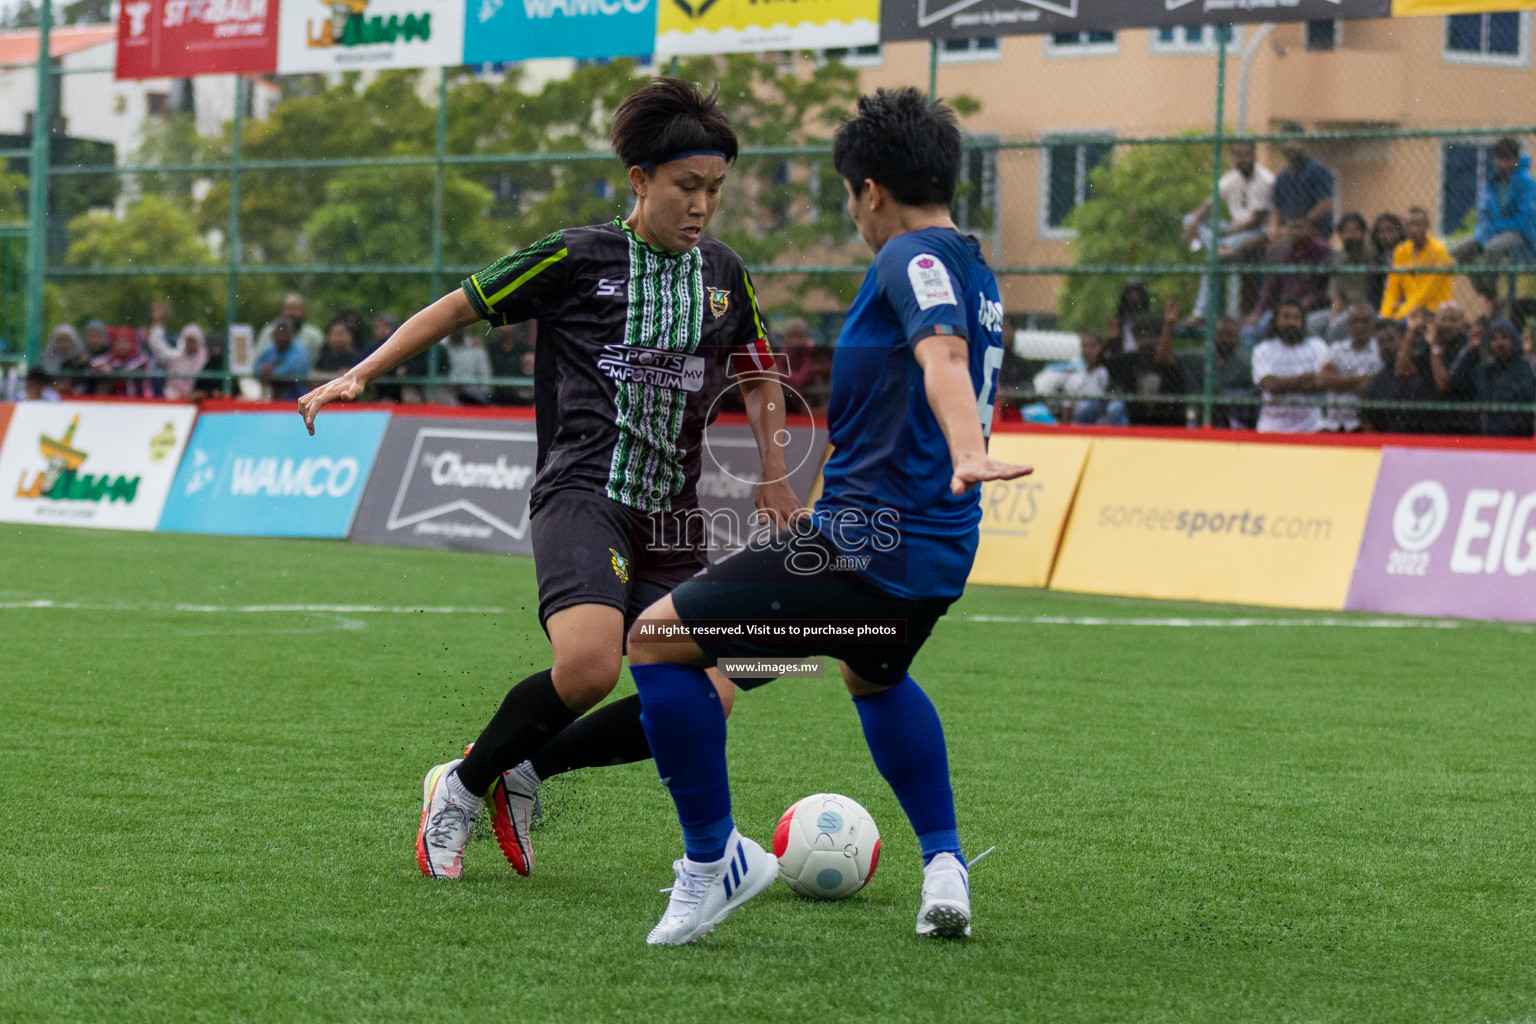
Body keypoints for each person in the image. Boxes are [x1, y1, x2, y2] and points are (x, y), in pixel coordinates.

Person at [296, 78, 801, 883]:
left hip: (672, 517)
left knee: (713, 694)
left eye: (715, 190)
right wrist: (362, 372)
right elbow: (459, 307)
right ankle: (460, 788)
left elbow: (760, 369)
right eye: (686, 187)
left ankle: (525, 771)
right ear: (639, 180)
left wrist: (775, 475)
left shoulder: (724, 274)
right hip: (583, 492)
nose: (702, 205)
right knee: (592, 666)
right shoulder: (575, 255)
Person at [620, 88, 1028, 946]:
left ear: (869, 190)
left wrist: (965, 447)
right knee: (873, 678)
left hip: (864, 546)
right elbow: (928, 374)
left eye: (849, 197)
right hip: (939, 553)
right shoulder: (975, 265)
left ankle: (712, 861)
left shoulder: (910, 257)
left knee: (656, 641)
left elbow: (941, 354)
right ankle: (945, 867)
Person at [1451, 138, 1536, 305]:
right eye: (1499, 159)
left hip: (1519, 232)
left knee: (1492, 247)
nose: (1501, 164)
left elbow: (1526, 219)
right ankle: (1484, 289)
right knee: (1460, 250)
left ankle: (1491, 291)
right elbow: (1484, 212)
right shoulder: (1491, 181)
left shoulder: (1527, 183)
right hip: (1493, 231)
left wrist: (1497, 229)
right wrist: (1484, 232)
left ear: (1516, 160)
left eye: (1506, 159)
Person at [1242, 216, 1331, 351]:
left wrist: (1312, 300)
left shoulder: (1322, 250)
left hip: (1314, 308)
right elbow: (1269, 288)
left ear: (1309, 229)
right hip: (1285, 308)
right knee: (1249, 331)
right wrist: (1258, 312)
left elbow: (1330, 286)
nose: (1296, 232)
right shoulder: (1281, 252)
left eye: (1300, 228)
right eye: (1292, 228)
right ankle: (1255, 369)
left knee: (1309, 328)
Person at [1250, 299, 1330, 433]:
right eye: (1286, 317)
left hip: (1312, 427)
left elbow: (1321, 382)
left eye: (1296, 318)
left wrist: (1283, 385)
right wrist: (1306, 377)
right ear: (1276, 321)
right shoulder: (1263, 349)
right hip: (1272, 427)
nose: (1291, 323)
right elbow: (1271, 386)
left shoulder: (1317, 346)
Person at [1107, 302, 1189, 426]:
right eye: (1140, 336)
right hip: (1138, 424)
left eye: (1151, 336)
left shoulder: (1171, 360)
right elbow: (1104, 363)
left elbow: (1162, 355)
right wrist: (1111, 340)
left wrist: (1169, 325)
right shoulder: (1132, 360)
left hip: (1170, 425)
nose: (1145, 342)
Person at [1450, 317, 1536, 436]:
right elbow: (1456, 381)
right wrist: (1470, 351)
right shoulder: (1484, 371)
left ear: (1514, 340)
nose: (1499, 343)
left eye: (1505, 338)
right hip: (1488, 438)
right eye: (1494, 339)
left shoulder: (1527, 367)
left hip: (1520, 438)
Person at [1177, 318, 1258, 429]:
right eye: (1220, 335)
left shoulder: (1245, 364)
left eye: (1230, 335)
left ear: (1237, 338)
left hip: (1233, 417)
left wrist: (1224, 395)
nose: (1225, 340)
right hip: (1199, 414)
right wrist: (1169, 323)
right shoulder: (1196, 358)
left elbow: (1253, 392)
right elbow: (1165, 358)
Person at [1317, 304, 1383, 432]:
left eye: (1365, 322)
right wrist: (1361, 380)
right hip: (1334, 425)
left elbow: (1373, 387)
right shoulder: (1337, 349)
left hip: (1363, 426)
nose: (1359, 326)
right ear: (1348, 324)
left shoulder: (1380, 351)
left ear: (1373, 325)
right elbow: (1323, 379)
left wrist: (1339, 382)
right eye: (1355, 321)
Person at [1380, 207, 1454, 321]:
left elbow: (1427, 293)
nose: (1414, 229)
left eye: (1418, 224)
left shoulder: (1439, 251)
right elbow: (1392, 289)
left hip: (1434, 310)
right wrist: (1385, 315)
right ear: (1404, 228)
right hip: (1408, 309)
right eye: (1409, 225)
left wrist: (1399, 315)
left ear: (1427, 226)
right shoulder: (1401, 251)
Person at [1323, 213, 1376, 342]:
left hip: (1364, 307)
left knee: (1335, 329)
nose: (1351, 236)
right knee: (1313, 324)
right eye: (1347, 232)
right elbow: (1336, 296)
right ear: (1340, 235)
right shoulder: (1338, 259)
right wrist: (1333, 316)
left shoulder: (1372, 256)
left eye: (1355, 231)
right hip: (1343, 308)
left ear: (1363, 233)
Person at [1270, 135, 1335, 239]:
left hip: (1315, 232)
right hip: (1288, 233)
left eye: (1295, 143)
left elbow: (1325, 205)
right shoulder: (1282, 177)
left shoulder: (1316, 169)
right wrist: (1273, 229)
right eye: (1287, 143)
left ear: (1302, 144)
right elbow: (1277, 209)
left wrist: (1297, 226)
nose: (1290, 147)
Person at [144, 302, 209, 401]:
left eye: (193, 341)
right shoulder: (176, 356)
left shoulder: (205, 359)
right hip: (172, 398)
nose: (191, 344)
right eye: (188, 341)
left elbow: (208, 384)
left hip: (199, 400)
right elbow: (158, 348)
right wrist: (158, 323)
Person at [253, 315, 312, 400]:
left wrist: (271, 372)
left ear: (292, 335)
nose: (282, 337)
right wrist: (263, 371)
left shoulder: (299, 349)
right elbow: (256, 368)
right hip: (272, 396)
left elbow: (290, 371)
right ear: (273, 335)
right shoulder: (270, 349)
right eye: (279, 333)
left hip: (296, 396)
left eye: (285, 334)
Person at [256, 293, 325, 362]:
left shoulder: (315, 336)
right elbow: (258, 357)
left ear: (303, 311)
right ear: (283, 310)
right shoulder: (268, 332)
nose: (292, 313)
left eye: (296, 309)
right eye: (289, 308)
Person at [89, 327, 153, 398]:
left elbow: (127, 369)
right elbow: (94, 363)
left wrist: (111, 370)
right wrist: (103, 367)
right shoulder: (111, 356)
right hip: (116, 399)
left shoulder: (141, 358)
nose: (122, 345)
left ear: (132, 342)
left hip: (139, 399)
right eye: (118, 342)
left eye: (125, 342)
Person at [486, 323, 536, 405]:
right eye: (500, 324)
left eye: (507, 324)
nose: (503, 328)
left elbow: (531, 380)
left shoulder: (524, 349)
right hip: (496, 400)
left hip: (521, 401)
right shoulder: (491, 349)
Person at [1367, 213, 1405, 311]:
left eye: (1390, 230)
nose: (1385, 235)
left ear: (1399, 231)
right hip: (1383, 305)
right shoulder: (1377, 259)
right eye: (1381, 232)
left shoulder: (1407, 254)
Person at [442, 330, 493, 405]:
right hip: (445, 398)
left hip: (472, 400)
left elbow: (486, 382)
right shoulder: (439, 347)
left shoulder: (476, 348)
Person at [314, 315, 362, 379]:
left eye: (340, 334)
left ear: (350, 336)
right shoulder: (324, 357)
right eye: (334, 334)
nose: (337, 338)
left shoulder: (357, 358)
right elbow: (313, 374)